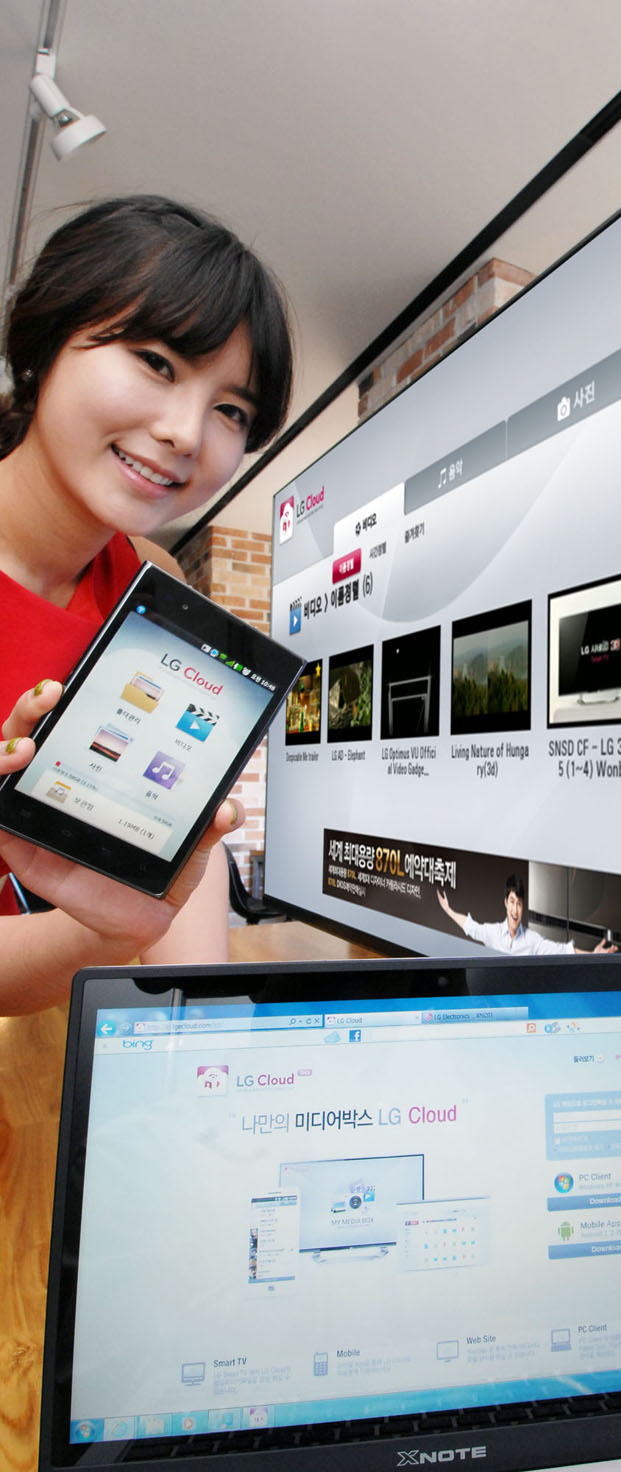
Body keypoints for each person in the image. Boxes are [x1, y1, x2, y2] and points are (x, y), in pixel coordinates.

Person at [0, 195, 293, 1014]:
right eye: (158, 363)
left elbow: (174, 872)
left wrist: (201, 1047)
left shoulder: (147, 579)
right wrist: (107, 933)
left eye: (231, 410)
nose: (187, 433)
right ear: (46, 341)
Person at [437, 874, 617, 956]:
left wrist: (593, 954)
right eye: (512, 902)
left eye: (520, 904)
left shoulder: (532, 940)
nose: (515, 910)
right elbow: (471, 927)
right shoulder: (493, 933)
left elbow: (563, 950)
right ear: (506, 903)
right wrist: (448, 910)